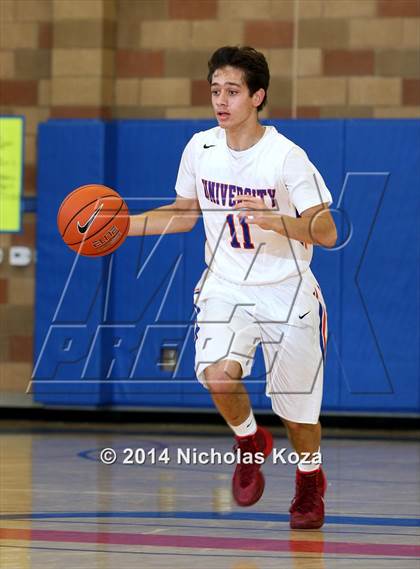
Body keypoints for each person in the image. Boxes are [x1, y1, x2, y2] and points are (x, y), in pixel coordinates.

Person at [128, 46, 337, 530]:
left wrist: (275, 219)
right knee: (217, 376)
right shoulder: (200, 148)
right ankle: (249, 440)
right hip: (225, 285)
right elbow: (183, 215)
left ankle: (310, 479)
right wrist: (122, 226)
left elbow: (325, 231)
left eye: (233, 92)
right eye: (215, 91)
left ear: (258, 96)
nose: (221, 101)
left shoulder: (286, 157)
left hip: (287, 289)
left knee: (298, 415)